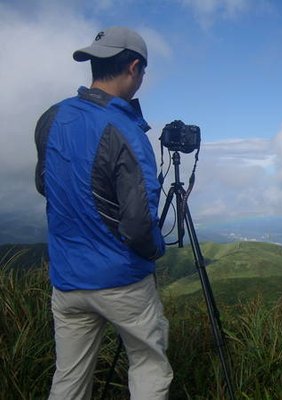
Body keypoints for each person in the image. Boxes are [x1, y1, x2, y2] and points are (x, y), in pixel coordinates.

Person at [34, 26, 173, 400]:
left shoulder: (51, 118)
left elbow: (44, 185)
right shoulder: (126, 131)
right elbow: (139, 222)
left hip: (67, 280)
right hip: (121, 280)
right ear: (134, 67)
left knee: (69, 378)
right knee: (148, 366)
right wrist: (155, 251)